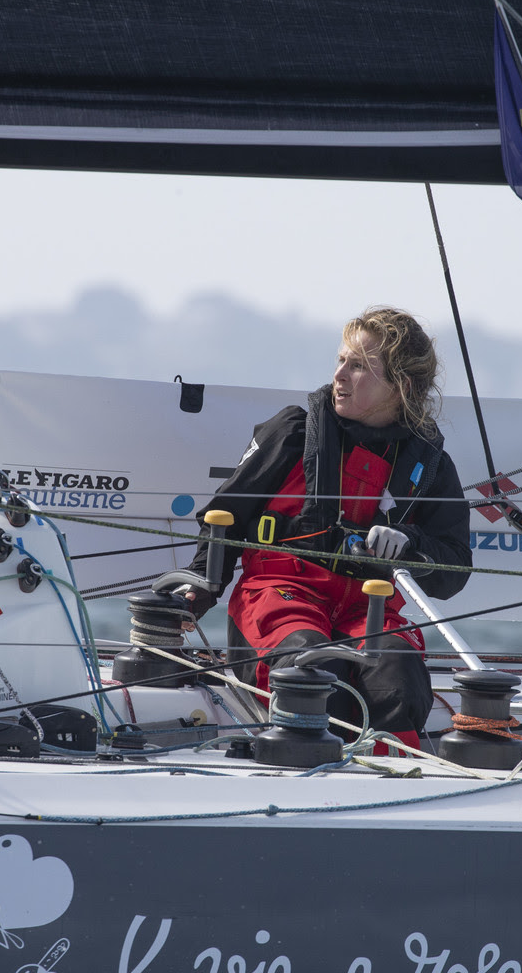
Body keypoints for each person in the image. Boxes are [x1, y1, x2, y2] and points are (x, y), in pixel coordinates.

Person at [180, 307, 471, 754]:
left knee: (397, 671)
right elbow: (225, 515)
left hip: (367, 608)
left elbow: (454, 569)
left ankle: (394, 777)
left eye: (358, 366)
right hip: (279, 591)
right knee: (310, 660)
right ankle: (306, 762)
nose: (339, 375)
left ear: (401, 386)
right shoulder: (293, 433)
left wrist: (411, 545)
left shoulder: (430, 467)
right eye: (340, 361)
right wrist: (200, 589)